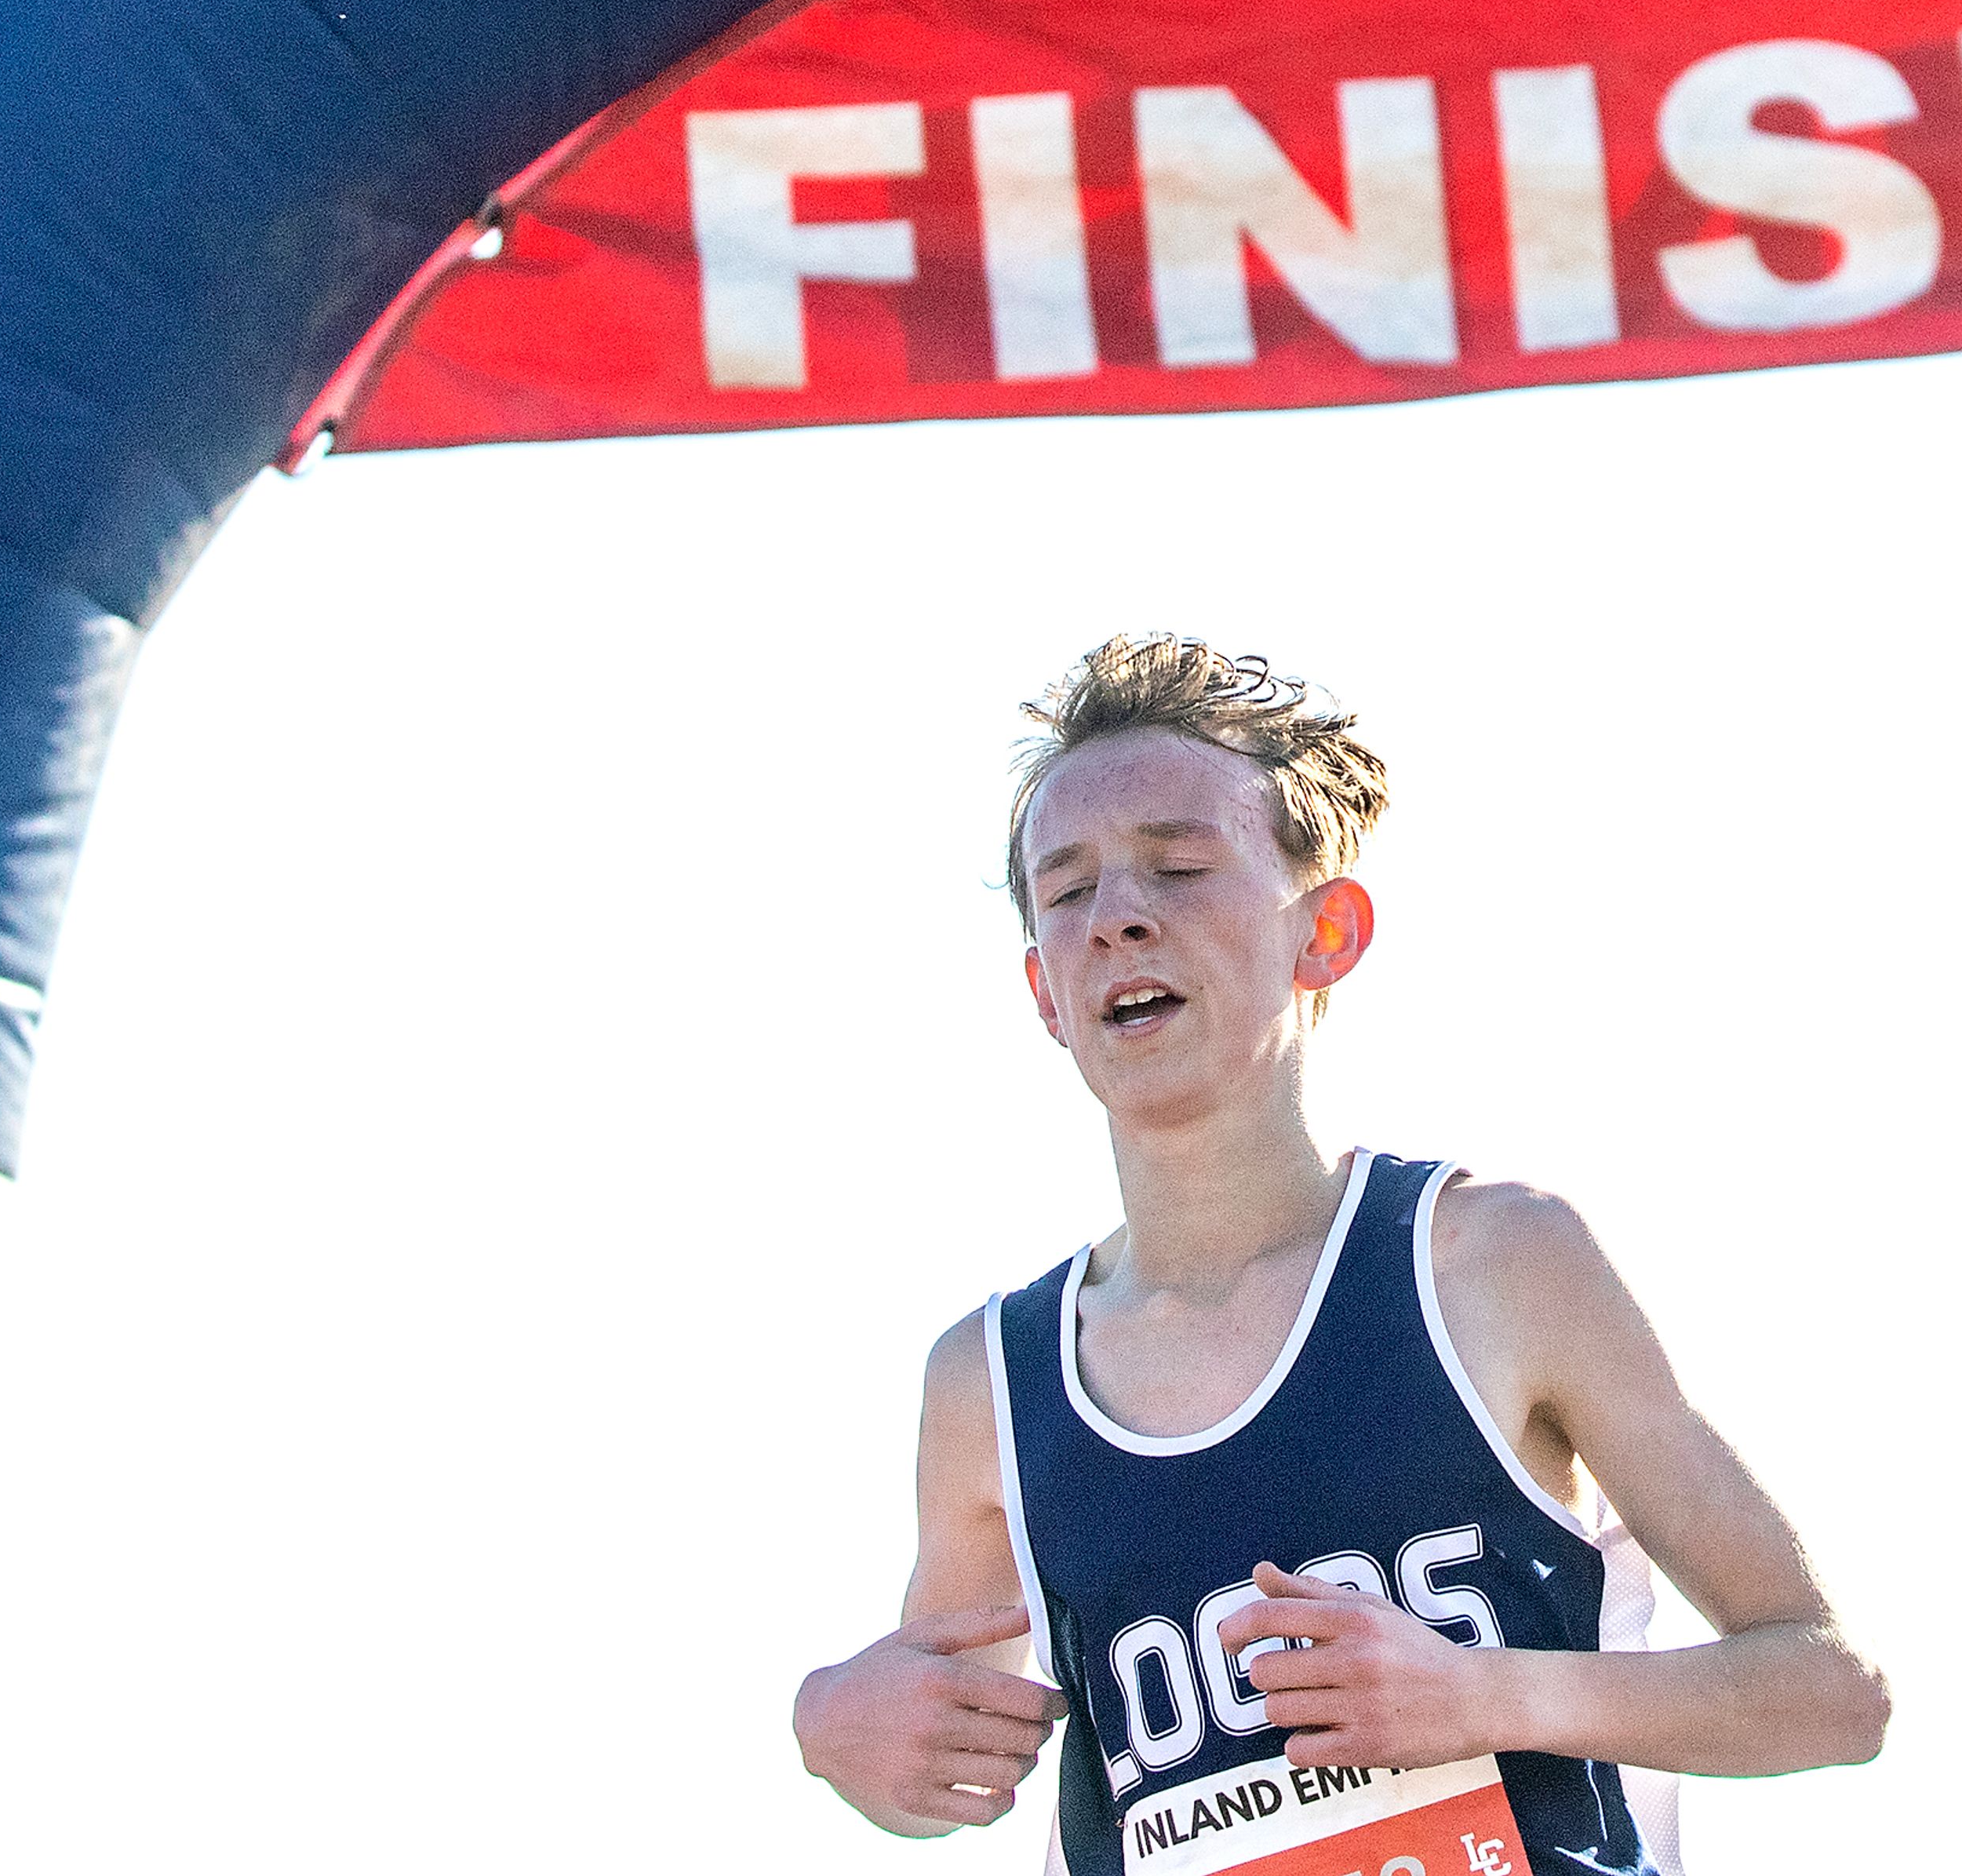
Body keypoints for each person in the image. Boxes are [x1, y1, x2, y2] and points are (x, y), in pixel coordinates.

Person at [792, 635, 1887, 1874]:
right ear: (1043, 991)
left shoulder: (1494, 1264)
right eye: (1069, 888)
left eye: (1178, 866)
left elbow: (1830, 1691)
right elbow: (943, 1764)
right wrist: (830, 1728)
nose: (1119, 918)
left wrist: (1488, 1698)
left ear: (1329, 932)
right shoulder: (987, 1386)